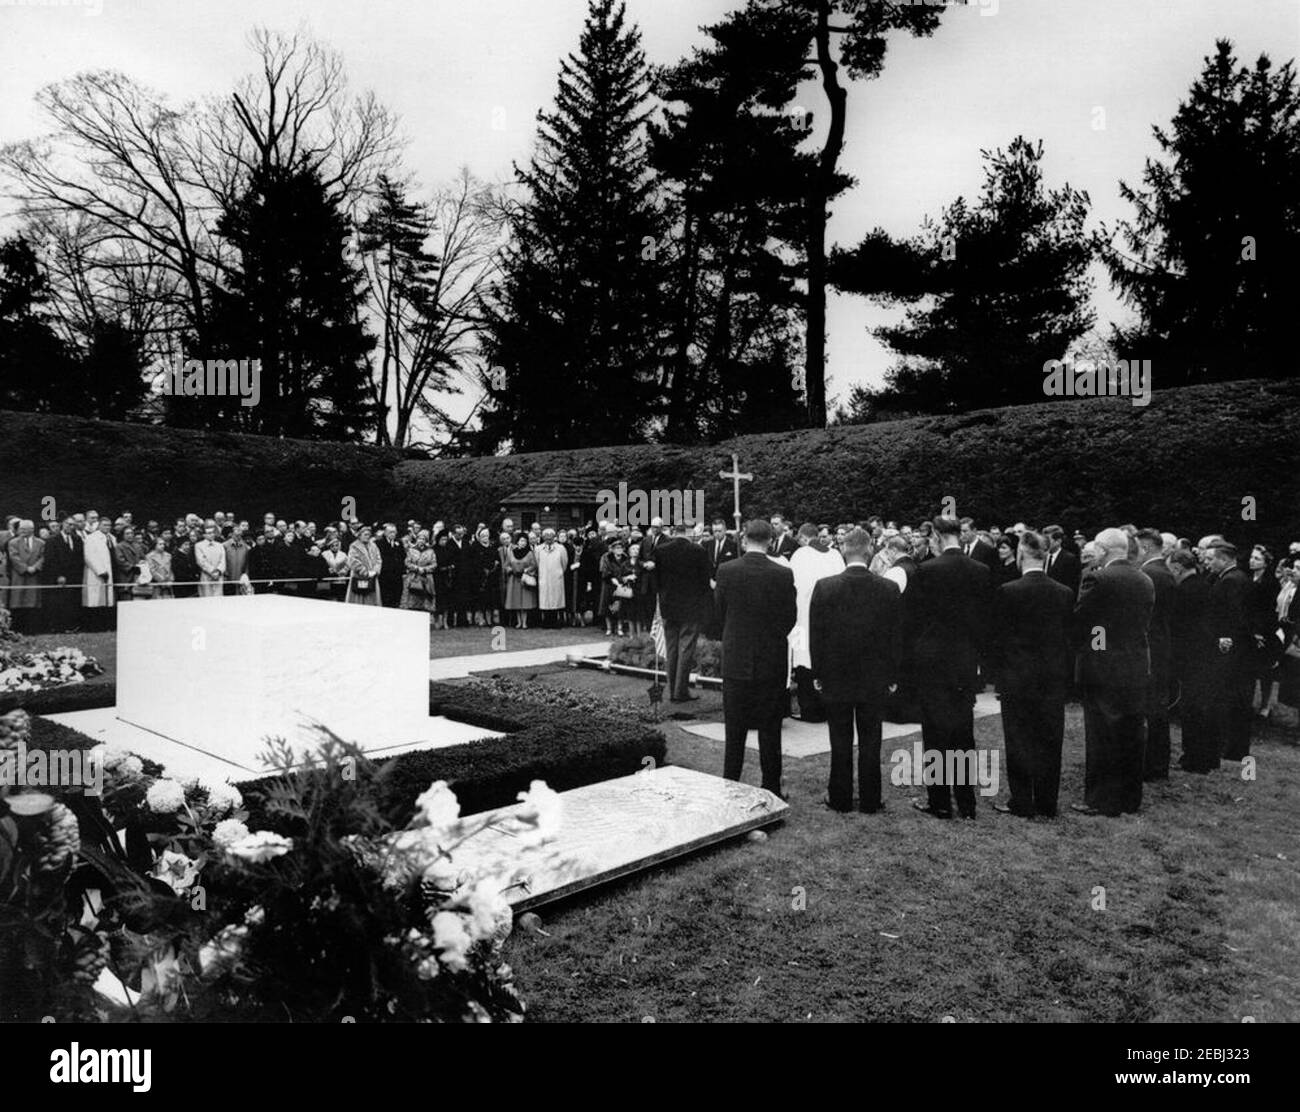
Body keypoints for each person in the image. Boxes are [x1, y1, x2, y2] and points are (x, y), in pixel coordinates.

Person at [808, 527, 901, 813]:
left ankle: (840, 798)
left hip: (837, 675)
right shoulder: (887, 588)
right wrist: (893, 675)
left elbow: (817, 636)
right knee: (871, 738)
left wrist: (818, 673)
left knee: (840, 738)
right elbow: (895, 637)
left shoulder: (826, 586)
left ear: (844, 549)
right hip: (874, 677)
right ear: (869, 550)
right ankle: (871, 799)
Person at [904, 516, 991, 820]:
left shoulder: (926, 571)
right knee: (963, 732)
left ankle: (940, 801)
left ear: (939, 537)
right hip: (965, 661)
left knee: (936, 732)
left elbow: (912, 619)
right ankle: (966, 803)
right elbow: (985, 620)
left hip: (933, 662)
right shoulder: (980, 571)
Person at [989, 531, 1073, 818]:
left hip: (1017, 677)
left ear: (1022, 555)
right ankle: (1047, 802)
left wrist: (998, 675)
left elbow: (998, 639)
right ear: (1046, 555)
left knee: (1019, 740)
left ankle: (1022, 800)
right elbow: (1068, 639)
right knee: (1050, 739)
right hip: (1051, 678)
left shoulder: (1008, 591)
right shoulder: (1064, 593)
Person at [1071, 528, 1154, 816]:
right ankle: (1130, 798)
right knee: (1131, 733)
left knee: (1102, 735)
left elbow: (1084, 621)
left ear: (1104, 551)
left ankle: (1101, 799)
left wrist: (1095, 644)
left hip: (1104, 667)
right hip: (1135, 664)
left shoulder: (1098, 577)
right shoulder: (1145, 579)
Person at [716, 519, 797, 798]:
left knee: (734, 729)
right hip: (770, 660)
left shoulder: (726, 571)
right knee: (770, 729)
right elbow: (790, 618)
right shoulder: (782, 574)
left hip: (737, 656)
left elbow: (718, 615)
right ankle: (772, 787)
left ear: (743, 539)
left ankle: (730, 783)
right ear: (771, 541)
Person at [788, 523, 844, 722]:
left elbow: (792, 586)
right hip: (831, 619)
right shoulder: (835, 555)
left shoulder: (800, 555)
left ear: (803, 538)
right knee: (826, 661)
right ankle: (829, 707)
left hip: (804, 617)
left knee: (804, 662)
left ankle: (809, 710)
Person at [653, 520, 714, 703]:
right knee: (685, 649)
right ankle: (680, 692)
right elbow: (705, 582)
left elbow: (656, 581)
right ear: (689, 531)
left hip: (668, 606)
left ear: (674, 531)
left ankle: (673, 690)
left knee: (671, 649)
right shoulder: (698, 551)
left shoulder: (661, 550)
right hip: (691, 607)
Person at [1205, 541, 1254, 761]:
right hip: (1238, 648)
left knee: (1229, 696)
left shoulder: (1231, 580)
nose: (1208, 563)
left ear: (1223, 559)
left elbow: (1232, 613)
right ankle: (1233, 746)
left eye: (1211, 559)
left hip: (1230, 649)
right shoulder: (1237, 577)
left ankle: (1231, 747)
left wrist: (1226, 637)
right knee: (1236, 697)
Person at [1136, 528, 1176, 780]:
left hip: (1152, 649)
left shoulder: (1150, 574)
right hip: (1161, 647)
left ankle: (1153, 765)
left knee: (1152, 709)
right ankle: (1156, 763)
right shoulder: (1164, 572)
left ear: (1146, 548)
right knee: (1156, 708)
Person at [43, 515, 83, 633]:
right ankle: (58, 627)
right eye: (68, 524)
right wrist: (59, 575)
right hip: (59, 577)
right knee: (59, 602)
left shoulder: (77, 539)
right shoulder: (52, 540)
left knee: (72, 602)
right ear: (62, 524)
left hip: (74, 576)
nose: (70, 527)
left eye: (73, 525)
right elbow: (50, 560)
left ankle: (71, 626)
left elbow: (79, 559)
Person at [5, 520, 44, 633]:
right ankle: (18, 630)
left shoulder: (41, 543)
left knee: (33, 602)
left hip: (34, 577)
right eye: (20, 529)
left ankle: (32, 629)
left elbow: (43, 557)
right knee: (18, 602)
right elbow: (14, 557)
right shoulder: (13, 542)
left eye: (23, 529)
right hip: (19, 576)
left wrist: (35, 567)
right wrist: (25, 568)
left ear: (31, 530)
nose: (20, 531)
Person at [82, 515, 115, 629]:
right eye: (105, 525)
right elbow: (89, 556)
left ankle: (107, 625)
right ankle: (95, 626)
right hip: (96, 573)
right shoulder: (91, 538)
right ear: (99, 525)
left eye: (109, 525)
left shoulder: (112, 538)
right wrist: (100, 571)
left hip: (110, 572)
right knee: (95, 600)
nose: (107, 527)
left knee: (108, 600)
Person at [534, 528, 569, 629]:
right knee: (545, 600)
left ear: (554, 537)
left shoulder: (561, 548)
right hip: (544, 577)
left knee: (555, 599)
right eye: (546, 535)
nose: (548, 537)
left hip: (556, 577)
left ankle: (555, 621)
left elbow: (564, 563)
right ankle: (546, 622)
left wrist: (559, 572)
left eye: (551, 535)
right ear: (543, 537)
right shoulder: (538, 549)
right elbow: (537, 562)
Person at [599, 537, 632, 637]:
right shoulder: (606, 557)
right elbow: (604, 571)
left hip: (622, 585)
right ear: (612, 549)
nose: (619, 550)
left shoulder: (626, 558)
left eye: (621, 548)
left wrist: (623, 580)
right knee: (608, 607)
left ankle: (620, 628)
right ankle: (609, 628)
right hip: (609, 584)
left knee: (621, 607)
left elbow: (629, 570)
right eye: (617, 548)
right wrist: (612, 579)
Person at [504, 533, 538, 628]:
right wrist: (510, 570)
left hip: (524, 579)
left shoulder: (530, 553)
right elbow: (506, 565)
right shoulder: (512, 552)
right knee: (516, 602)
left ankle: (525, 622)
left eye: (525, 541)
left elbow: (534, 565)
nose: (523, 543)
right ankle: (518, 622)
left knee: (525, 603)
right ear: (517, 542)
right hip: (514, 579)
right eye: (521, 541)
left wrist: (527, 570)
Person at [346, 526, 383, 606]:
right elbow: (353, 561)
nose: (367, 536)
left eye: (369, 535)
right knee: (358, 599)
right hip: (358, 577)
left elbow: (378, 559)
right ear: (359, 535)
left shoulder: (373, 546)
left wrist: (375, 571)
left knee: (372, 599)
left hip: (372, 577)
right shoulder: (354, 546)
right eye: (365, 534)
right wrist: (365, 572)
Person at [401, 530, 437, 612]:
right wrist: (416, 568)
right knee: (411, 601)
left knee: (425, 603)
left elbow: (434, 564)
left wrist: (425, 569)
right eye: (419, 539)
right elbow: (407, 562)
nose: (421, 541)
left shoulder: (430, 551)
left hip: (426, 578)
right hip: (413, 577)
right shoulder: (411, 550)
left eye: (423, 539)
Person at [1043, 525, 1081, 597]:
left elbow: (1072, 586)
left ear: (1058, 541)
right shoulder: (1042, 558)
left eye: (1047, 540)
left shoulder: (1070, 559)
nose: (1045, 543)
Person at [376, 524, 406, 610]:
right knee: (386, 598)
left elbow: (403, 556)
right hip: (385, 575)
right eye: (390, 532)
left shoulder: (399, 542)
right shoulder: (379, 543)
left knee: (396, 598)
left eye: (394, 532)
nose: (392, 534)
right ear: (385, 533)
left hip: (397, 575)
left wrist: (402, 570)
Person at [195, 524, 226, 598]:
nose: (212, 535)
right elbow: (201, 561)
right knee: (207, 598)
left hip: (218, 576)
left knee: (219, 597)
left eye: (212, 532)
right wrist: (212, 571)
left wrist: (218, 571)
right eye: (209, 533)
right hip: (206, 575)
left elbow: (223, 560)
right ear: (204, 535)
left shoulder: (220, 545)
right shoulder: (199, 545)